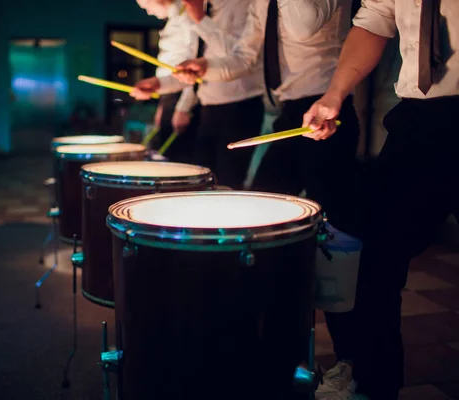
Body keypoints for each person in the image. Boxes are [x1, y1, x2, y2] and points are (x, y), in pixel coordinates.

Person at [173, 2, 360, 396]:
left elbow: (306, 22)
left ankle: (350, 362)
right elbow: (244, 56)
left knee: (340, 239)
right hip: (291, 112)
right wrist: (206, 68)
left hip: (329, 107)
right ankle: (272, 341)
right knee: (262, 220)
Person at [301, 0, 459, 398]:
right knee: (373, 263)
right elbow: (376, 20)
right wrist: (335, 94)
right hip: (419, 118)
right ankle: (372, 386)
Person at [131, 0, 265, 189]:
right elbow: (192, 69)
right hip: (208, 106)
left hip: (240, 105)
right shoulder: (199, 8)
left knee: (227, 185)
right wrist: (158, 84)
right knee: (200, 183)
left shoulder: (241, 4)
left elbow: (241, 58)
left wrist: (201, 20)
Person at [136, 0, 199, 163]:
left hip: (183, 95)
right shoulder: (174, 19)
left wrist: (184, 107)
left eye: (146, 4)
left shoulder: (187, 15)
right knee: (165, 156)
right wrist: (162, 107)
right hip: (169, 94)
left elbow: (194, 64)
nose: (148, 11)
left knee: (178, 159)